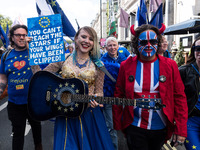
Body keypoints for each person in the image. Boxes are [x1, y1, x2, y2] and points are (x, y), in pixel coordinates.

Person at [29, 26, 115, 150]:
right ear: (76, 38)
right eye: (83, 36)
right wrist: (32, 52)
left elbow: (99, 91)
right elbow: (40, 77)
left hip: (89, 115)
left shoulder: (99, 65)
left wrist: (98, 98)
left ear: (94, 43)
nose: (87, 41)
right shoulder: (63, 59)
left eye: (91, 39)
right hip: (65, 114)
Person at [112, 24, 188, 150]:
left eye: (152, 41)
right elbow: (118, 95)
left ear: (158, 43)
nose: (148, 45)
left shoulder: (170, 65)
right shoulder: (126, 65)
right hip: (134, 126)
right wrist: (118, 124)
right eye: (143, 42)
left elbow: (179, 97)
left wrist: (181, 129)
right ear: (137, 44)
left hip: (161, 127)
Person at [0, 24, 42, 150]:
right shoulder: (6, 56)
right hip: (14, 103)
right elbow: (3, 77)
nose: (22, 37)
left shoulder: (34, 52)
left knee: (36, 129)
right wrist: (1, 89)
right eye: (18, 35)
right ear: (12, 38)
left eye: (24, 35)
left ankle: (39, 147)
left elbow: (41, 72)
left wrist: (32, 48)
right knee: (18, 132)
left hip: (33, 101)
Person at [101, 36, 127, 150]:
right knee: (111, 126)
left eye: (114, 45)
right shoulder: (101, 61)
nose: (112, 47)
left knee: (126, 124)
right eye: (110, 45)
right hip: (109, 97)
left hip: (124, 97)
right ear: (106, 47)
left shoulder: (124, 59)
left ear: (118, 46)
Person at [179, 37, 200, 150]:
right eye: (198, 49)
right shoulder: (183, 71)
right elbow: (175, 98)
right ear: (193, 51)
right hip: (191, 121)